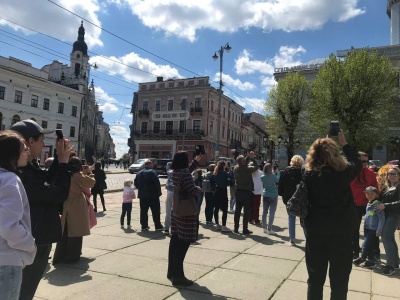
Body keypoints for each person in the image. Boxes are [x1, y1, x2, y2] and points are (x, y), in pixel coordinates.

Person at [10, 119, 72, 300]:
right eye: (41, 140)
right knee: (24, 291)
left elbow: (44, 181)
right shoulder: (23, 173)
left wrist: (60, 162)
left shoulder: (25, 167)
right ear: (30, 142)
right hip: (35, 240)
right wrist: (64, 165)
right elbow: (58, 193)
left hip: (34, 237)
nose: (44, 144)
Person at [303, 131, 362, 299]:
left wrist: (325, 141)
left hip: (316, 231)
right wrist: (344, 143)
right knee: (340, 281)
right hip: (341, 233)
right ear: (335, 153)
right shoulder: (345, 173)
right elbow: (357, 162)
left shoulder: (308, 174)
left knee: (315, 279)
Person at [0, 131, 36, 300]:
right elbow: (9, 226)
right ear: (11, 155)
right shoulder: (10, 180)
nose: (27, 152)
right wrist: (30, 244)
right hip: (7, 261)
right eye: (23, 150)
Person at [167, 152, 203, 286]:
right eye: (187, 159)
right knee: (184, 242)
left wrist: (196, 161)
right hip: (186, 211)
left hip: (176, 209)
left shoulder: (174, 171)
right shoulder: (185, 174)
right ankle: (178, 276)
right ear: (184, 161)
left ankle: (171, 272)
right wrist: (199, 188)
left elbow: (186, 172)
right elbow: (191, 189)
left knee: (175, 240)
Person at [53, 157, 95, 264]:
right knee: (76, 230)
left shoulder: (63, 173)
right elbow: (90, 183)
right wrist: (89, 173)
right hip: (76, 204)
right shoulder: (76, 175)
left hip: (66, 203)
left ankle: (60, 255)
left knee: (65, 230)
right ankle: (72, 256)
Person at [350, 151, 379, 259]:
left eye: (366, 161)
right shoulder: (350, 172)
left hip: (368, 206)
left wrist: (375, 203)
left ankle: (375, 252)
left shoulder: (370, 172)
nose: (364, 163)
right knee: (354, 229)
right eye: (362, 161)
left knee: (372, 229)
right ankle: (355, 251)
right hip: (354, 205)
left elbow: (376, 188)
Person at [375, 166, 400, 275]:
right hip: (386, 215)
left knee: (385, 238)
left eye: (394, 174)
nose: (391, 176)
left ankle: (390, 266)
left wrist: (385, 206)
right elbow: (380, 198)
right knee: (390, 239)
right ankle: (395, 263)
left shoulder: (398, 187)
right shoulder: (387, 186)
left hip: (394, 215)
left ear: (399, 176)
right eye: (390, 174)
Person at [353, 186, 385, 268]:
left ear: (376, 195)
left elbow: (381, 219)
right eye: (367, 194)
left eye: (372, 194)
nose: (369, 196)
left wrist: (379, 230)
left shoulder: (377, 204)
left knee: (365, 244)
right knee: (370, 245)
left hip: (373, 229)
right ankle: (371, 260)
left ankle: (362, 258)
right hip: (367, 228)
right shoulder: (369, 203)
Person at [278, 155, 305, 245]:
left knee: (291, 218)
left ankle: (292, 238)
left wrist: (283, 195)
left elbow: (280, 187)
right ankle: (307, 237)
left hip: (288, 199)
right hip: (301, 199)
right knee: (303, 218)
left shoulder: (285, 173)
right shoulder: (303, 173)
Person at [134, 159, 164, 231]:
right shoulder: (152, 172)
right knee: (155, 211)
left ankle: (144, 226)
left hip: (142, 195)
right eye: (152, 164)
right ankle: (157, 225)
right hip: (153, 195)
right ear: (150, 165)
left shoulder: (139, 173)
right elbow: (157, 183)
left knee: (143, 211)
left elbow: (136, 183)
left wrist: (141, 189)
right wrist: (159, 192)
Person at [233, 151, 259, 235]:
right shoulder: (247, 169)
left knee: (237, 211)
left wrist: (247, 157)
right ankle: (245, 229)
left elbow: (243, 162)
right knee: (246, 212)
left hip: (238, 191)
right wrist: (252, 158)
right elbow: (256, 167)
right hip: (246, 192)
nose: (245, 161)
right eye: (244, 160)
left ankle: (236, 228)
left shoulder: (236, 168)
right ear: (241, 162)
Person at [213, 160, 233, 232]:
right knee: (224, 209)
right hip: (223, 191)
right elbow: (231, 177)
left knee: (216, 208)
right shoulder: (224, 173)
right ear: (223, 166)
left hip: (217, 190)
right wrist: (230, 170)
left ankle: (217, 224)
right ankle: (224, 226)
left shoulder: (215, 173)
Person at [260, 163, 280, 235]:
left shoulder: (262, 177)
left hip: (266, 194)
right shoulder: (273, 176)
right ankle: (269, 228)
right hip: (273, 194)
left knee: (264, 212)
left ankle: (264, 227)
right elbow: (278, 181)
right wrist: (278, 173)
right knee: (272, 212)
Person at [164, 162, 174, 234]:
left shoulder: (170, 171)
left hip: (170, 192)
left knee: (168, 211)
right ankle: (175, 228)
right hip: (178, 193)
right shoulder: (182, 171)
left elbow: (168, 167)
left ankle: (166, 228)